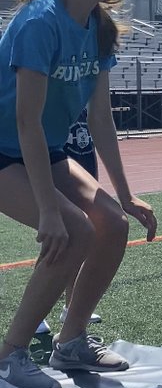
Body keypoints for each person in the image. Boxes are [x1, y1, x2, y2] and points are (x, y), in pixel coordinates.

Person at [0, 0, 157, 388]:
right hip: (5, 149)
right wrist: (49, 211)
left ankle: (71, 342)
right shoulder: (40, 22)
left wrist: (126, 194)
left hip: (42, 151)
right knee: (71, 233)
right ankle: (10, 359)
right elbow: (26, 121)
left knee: (113, 223)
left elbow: (101, 119)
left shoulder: (99, 27)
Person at [33, 109, 102, 338]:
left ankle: (71, 307)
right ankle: (36, 312)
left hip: (83, 163)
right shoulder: (51, 103)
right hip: (59, 166)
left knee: (81, 244)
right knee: (56, 241)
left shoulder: (80, 102)